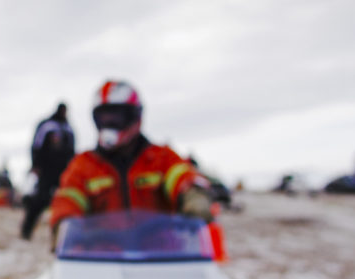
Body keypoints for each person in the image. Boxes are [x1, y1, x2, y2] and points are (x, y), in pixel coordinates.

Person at [49, 80, 213, 237]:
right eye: (104, 117)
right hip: (101, 259)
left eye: (116, 116)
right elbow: (68, 198)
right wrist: (63, 224)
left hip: (161, 257)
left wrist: (194, 196)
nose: (109, 123)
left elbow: (183, 177)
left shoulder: (161, 158)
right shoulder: (83, 165)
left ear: (135, 116)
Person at [20, 103, 75, 239]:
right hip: (46, 170)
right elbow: (36, 145)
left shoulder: (68, 128)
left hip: (63, 171)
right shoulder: (47, 125)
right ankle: (26, 230)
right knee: (39, 200)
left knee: (66, 200)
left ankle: (64, 235)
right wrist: (36, 165)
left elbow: (72, 149)